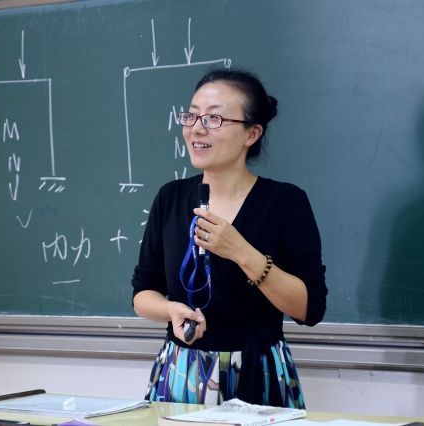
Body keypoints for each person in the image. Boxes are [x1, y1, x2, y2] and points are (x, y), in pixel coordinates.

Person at [131, 68, 327, 409]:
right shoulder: (171, 197)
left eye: (214, 118)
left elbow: (310, 308)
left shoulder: (285, 202)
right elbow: (143, 292)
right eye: (192, 116)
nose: (197, 128)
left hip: (259, 373)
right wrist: (170, 309)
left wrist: (240, 251)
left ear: (252, 133)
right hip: (183, 372)